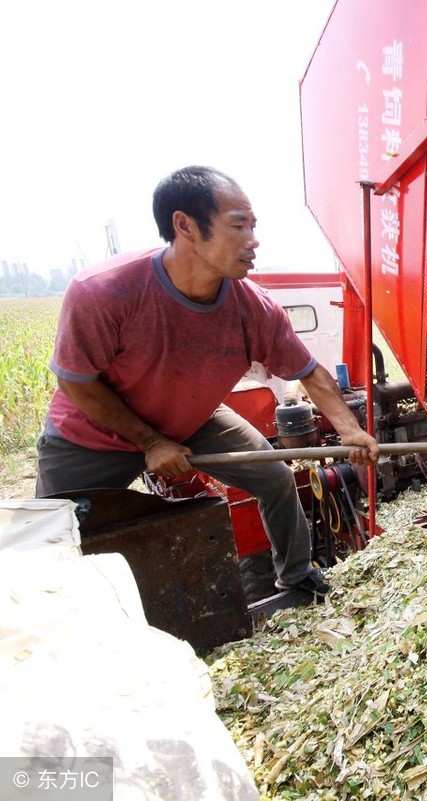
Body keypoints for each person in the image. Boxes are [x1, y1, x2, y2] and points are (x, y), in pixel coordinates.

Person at [36, 165, 380, 596]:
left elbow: (308, 372)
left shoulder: (253, 307)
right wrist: (150, 442)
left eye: (254, 226)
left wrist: (350, 429)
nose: (253, 240)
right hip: (90, 434)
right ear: (185, 226)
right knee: (50, 534)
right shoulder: (104, 292)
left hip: (191, 418)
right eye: (238, 226)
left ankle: (296, 576)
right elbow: (78, 383)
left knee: (274, 477)